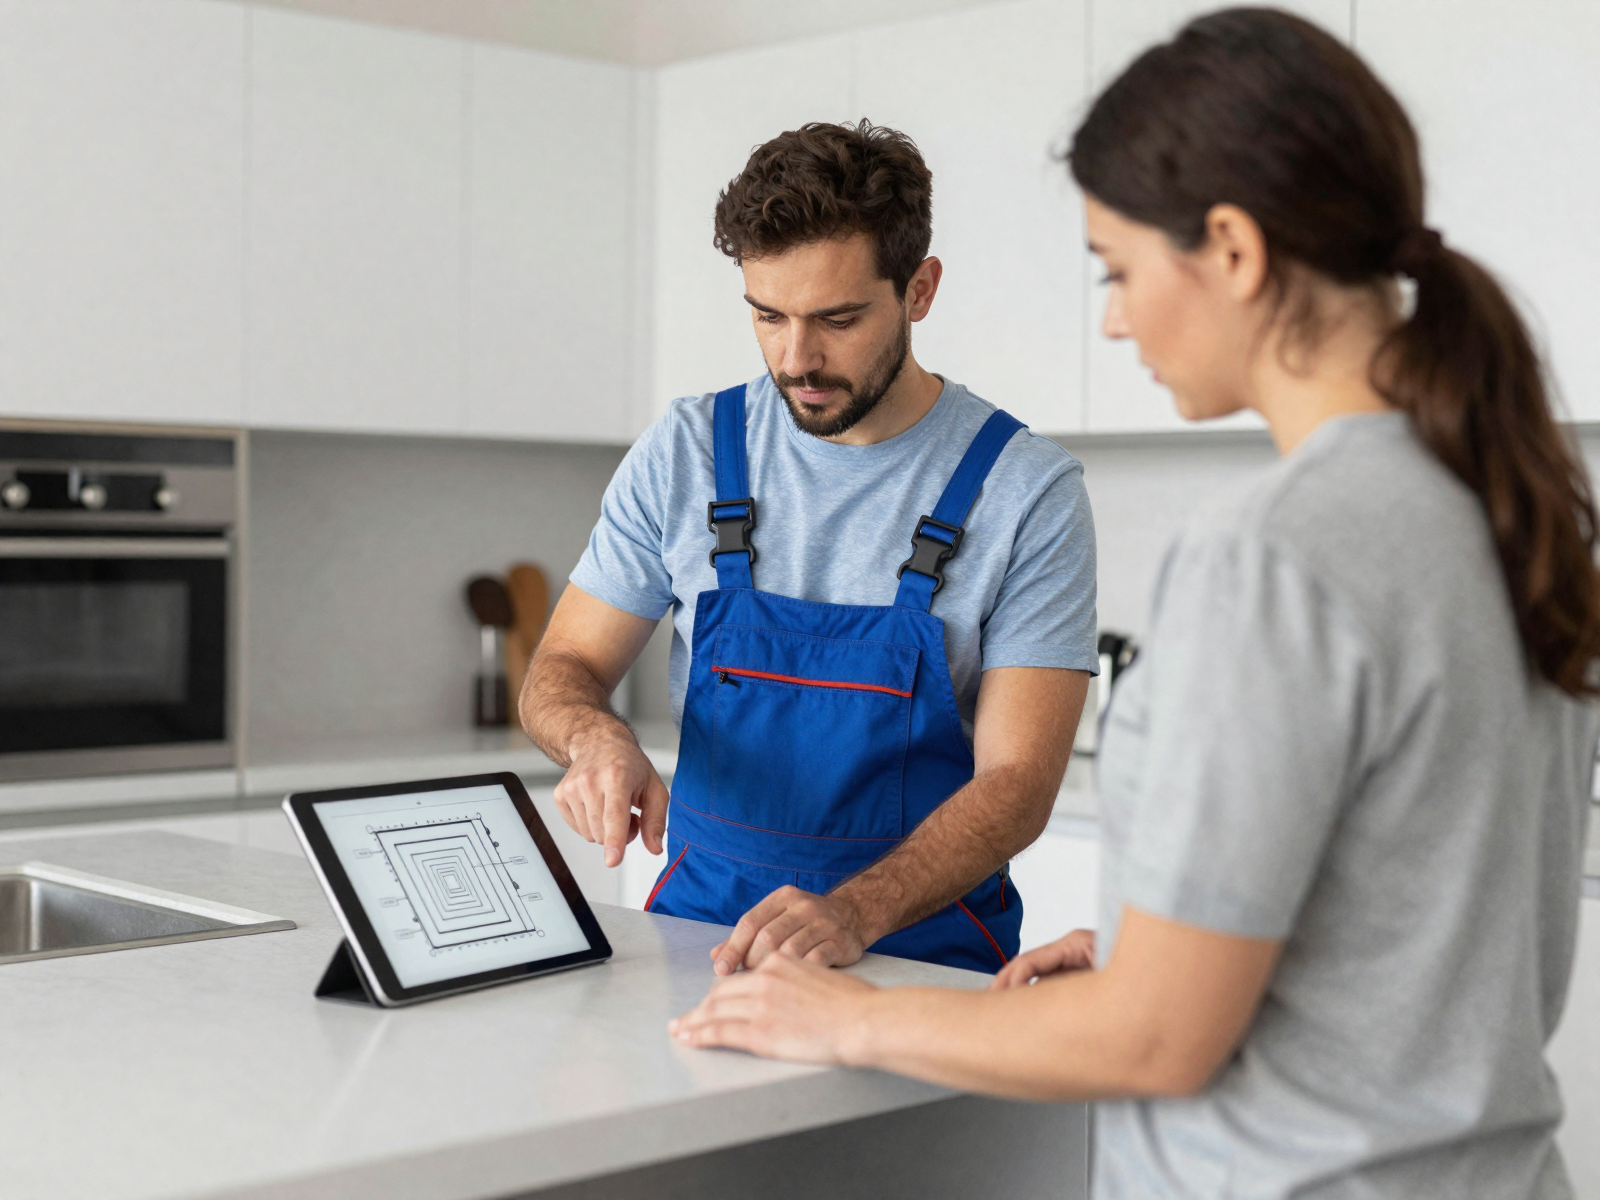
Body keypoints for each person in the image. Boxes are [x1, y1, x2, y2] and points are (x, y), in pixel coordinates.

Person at [669, 10, 1600, 1197]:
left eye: (1117, 268)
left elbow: (1155, 1041)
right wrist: (1156, 957)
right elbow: (1417, 909)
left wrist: (843, 1019)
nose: (1111, 316)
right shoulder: (1516, 511)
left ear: (1229, 249)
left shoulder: (1274, 557)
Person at [522, 120, 1097, 975]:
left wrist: (852, 912)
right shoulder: (687, 451)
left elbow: (1016, 787)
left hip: (921, 961)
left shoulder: (1026, 490)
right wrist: (593, 738)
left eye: (838, 318)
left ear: (920, 289)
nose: (798, 359)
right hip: (700, 946)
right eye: (768, 315)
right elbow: (561, 667)